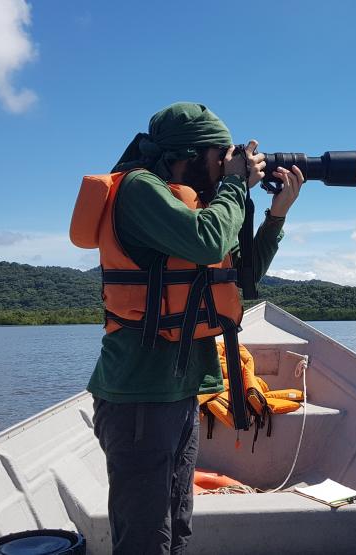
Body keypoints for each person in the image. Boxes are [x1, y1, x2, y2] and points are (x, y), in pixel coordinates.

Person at [86, 102, 304, 554]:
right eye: (221, 154)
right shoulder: (140, 191)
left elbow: (242, 277)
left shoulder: (196, 205)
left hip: (180, 393)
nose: (230, 163)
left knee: (177, 527)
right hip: (139, 398)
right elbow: (206, 242)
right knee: (146, 539)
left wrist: (276, 214)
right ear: (190, 153)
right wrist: (232, 185)